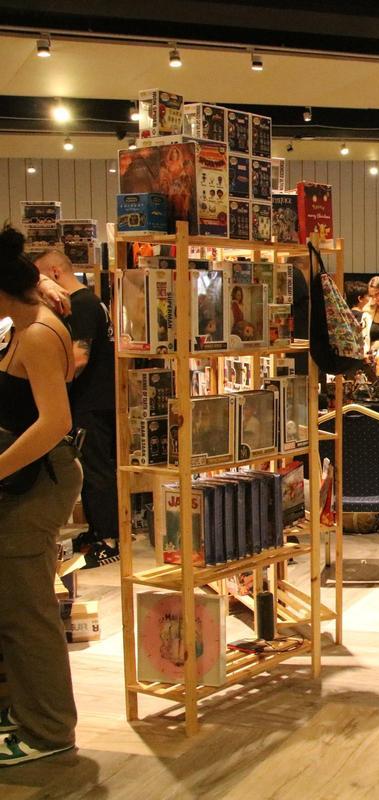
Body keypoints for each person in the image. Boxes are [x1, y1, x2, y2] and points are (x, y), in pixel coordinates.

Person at [0, 225, 83, 766]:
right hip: (25, 481)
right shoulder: (22, 325)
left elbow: (56, 422)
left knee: (27, 612)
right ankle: (27, 711)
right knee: (16, 607)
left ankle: (49, 728)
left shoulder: (34, 334)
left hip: (37, 484)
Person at [30, 248, 117, 568]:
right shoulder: (91, 302)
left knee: (95, 470)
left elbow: (78, 358)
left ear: (54, 273)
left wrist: (48, 381)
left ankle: (108, 539)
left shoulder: (81, 304)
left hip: (90, 402)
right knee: (92, 469)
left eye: (40, 280)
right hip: (94, 401)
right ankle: (99, 532)